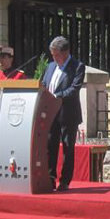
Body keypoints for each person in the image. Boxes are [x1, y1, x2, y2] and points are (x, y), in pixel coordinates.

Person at [41, 36, 85, 192]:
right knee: (49, 146)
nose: (54, 58)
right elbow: (43, 84)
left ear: (66, 52)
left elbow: (74, 89)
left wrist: (56, 96)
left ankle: (65, 180)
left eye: (56, 55)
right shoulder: (51, 66)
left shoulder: (77, 66)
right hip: (50, 113)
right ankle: (50, 178)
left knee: (68, 147)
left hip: (68, 113)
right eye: (52, 55)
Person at [0, 45, 26, 129]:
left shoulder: (19, 76)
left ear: (11, 59)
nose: (0, 59)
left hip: (12, 119)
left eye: (3, 57)